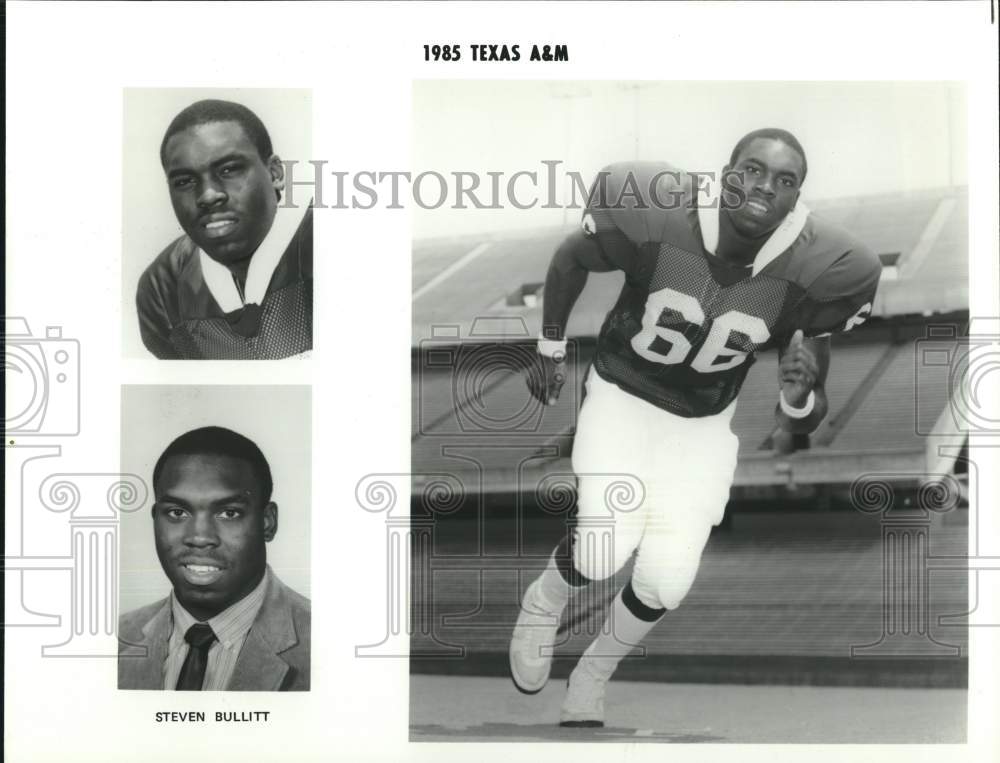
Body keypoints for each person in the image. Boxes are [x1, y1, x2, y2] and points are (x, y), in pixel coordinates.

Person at [509, 128, 881, 726]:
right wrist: (550, 347)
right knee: (605, 547)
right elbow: (569, 258)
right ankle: (543, 602)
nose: (765, 187)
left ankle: (591, 677)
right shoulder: (659, 212)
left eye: (785, 181)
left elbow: (809, 415)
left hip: (703, 425)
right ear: (726, 171)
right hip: (624, 394)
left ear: (798, 198)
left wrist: (800, 396)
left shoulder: (820, 268)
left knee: (665, 583)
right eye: (754, 170)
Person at [118, 426, 310, 691]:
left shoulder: (326, 644)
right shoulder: (114, 640)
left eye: (228, 513)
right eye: (177, 512)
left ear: (267, 522)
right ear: (155, 519)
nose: (199, 537)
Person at [136, 99, 312, 359]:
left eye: (229, 170)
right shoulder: (163, 288)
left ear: (275, 173)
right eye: (185, 181)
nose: (207, 195)